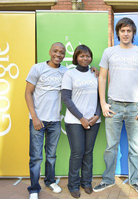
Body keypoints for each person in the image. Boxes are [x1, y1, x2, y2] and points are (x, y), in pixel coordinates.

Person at [93, 17, 138, 194]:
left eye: (129, 31)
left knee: (135, 148)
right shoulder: (109, 52)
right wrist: (103, 103)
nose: (125, 34)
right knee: (111, 146)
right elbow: (102, 78)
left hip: (135, 106)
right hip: (113, 105)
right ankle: (108, 180)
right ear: (118, 33)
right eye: (122, 30)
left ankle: (134, 181)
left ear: (133, 33)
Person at [25, 42, 67, 199]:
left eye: (61, 52)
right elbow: (28, 93)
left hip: (55, 121)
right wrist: (34, 117)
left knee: (51, 155)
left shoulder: (65, 71)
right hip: (38, 120)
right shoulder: (37, 68)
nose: (58, 54)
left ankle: (50, 181)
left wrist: (93, 71)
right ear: (50, 51)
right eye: (55, 51)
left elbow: (78, 77)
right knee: (36, 157)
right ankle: (34, 188)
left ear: (64, 55)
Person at [61, 45, 101, 198]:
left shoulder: (94, 74)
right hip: (75, 121)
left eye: (88, 56)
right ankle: (73, 185)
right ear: (76, 57)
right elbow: (66, 98)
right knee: (77, 153)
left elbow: (99, 96)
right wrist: (81, 118)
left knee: (88, 153)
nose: (85, 59)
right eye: (82, 56)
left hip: (93, 120)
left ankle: (86, 183)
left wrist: (97, 114)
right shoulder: (70, 74)